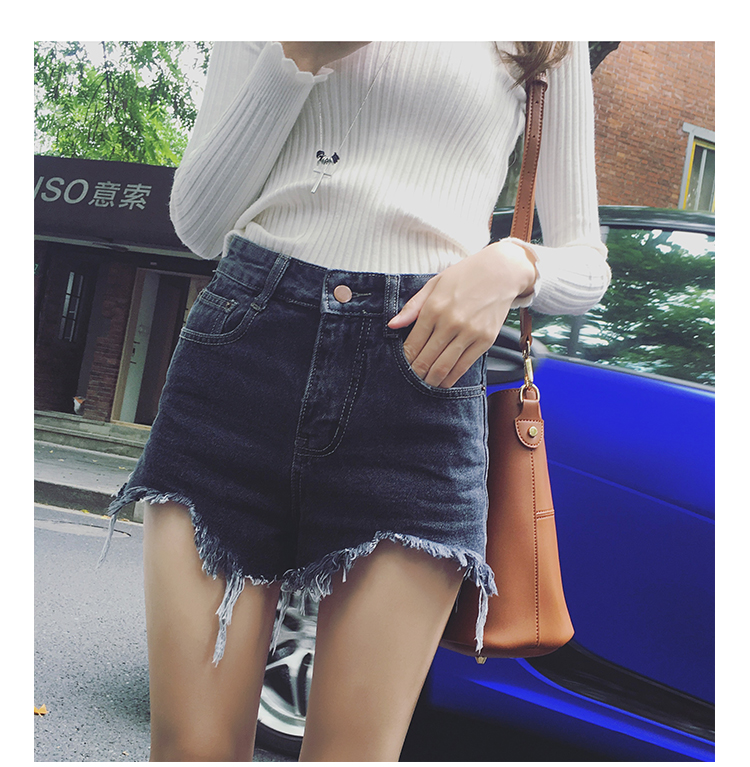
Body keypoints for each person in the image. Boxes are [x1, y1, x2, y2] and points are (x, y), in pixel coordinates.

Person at [101, 41, 611, 761]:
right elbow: (199, 223)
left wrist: (513, 264)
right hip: (243, 352)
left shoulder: (547, 31)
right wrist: (299, 56)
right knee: (191, 749)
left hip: (421, 380)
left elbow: (587, 264)